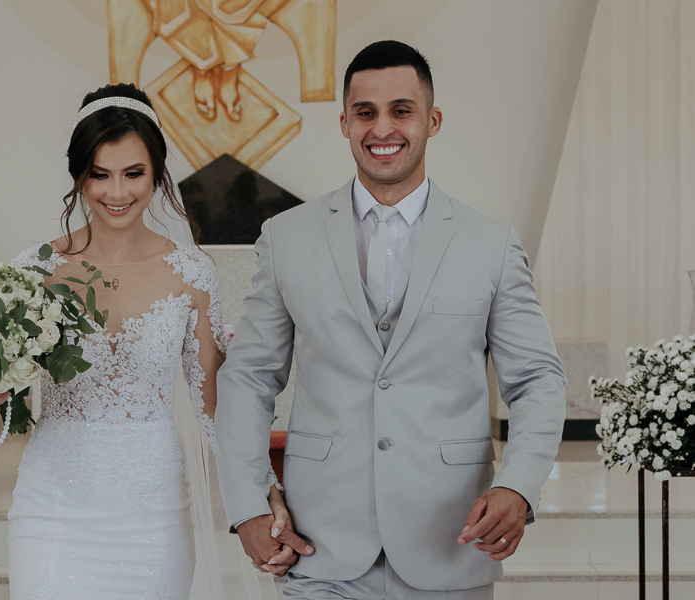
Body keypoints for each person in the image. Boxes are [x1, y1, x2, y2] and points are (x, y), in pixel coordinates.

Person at [215, 40, 567, 599]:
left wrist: (518, 488)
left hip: (449, 545)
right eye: (365, 112)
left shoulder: (491, 246)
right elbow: (248, 377)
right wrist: (247, 503)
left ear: (433, 119)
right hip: (319, 549)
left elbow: (538, 381)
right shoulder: (287, 238)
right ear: (345, 122)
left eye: (401, 111)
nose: (383, 128)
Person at [0, 83, 290, 599]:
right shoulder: (34, 271)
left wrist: (262, 492)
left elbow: (212, 407)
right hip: (53, 506)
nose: (116, 192)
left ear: (157, 173)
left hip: (153, 512)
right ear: (79, 175)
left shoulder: (192, 273)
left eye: (133, 174)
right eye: (99, 175)